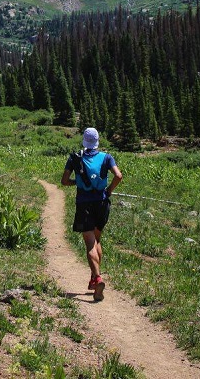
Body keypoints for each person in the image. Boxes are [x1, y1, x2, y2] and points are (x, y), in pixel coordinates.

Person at [61, 127, 122, 301]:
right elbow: (118, 176)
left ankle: (97, 278)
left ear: (84, 141)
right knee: (97, 240)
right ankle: (95, 276)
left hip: (84, 203)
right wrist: (108, 190)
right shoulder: (106, 157)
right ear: (97, 141)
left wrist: (77, 182)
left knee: (89, 244)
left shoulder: (74, 158)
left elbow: (64, 181)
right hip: (102, 203)